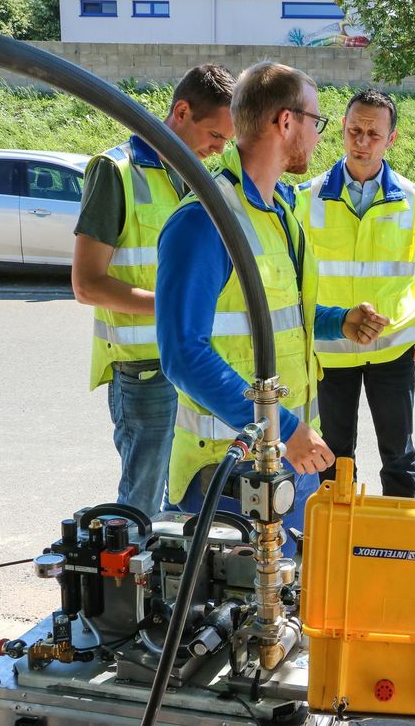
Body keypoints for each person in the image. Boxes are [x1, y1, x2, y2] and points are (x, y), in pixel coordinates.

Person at [155, 62, 387, 554]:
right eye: (316, 122)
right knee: (231, 622)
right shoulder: (204, 221)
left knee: (285, 613)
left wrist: (336, 319)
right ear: (286, 122)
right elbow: (183, 355)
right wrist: (282, 427)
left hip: (285, 456)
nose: (321, 137)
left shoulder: (281, 212)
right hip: (226, 472)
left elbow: (275, 315)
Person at [72, 64, 236, 517]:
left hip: (193, 360)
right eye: (215, 136)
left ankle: (172, 586)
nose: (219, 149)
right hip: (144, 369)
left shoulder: (200, 179)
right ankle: (131, 586)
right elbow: (87, 284)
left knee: (183, 495)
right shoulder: (116, 171)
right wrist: (175, 309)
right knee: (142, 502)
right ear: (181, 111)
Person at [295, 88, 415, 499]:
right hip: (330, 347)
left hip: (392, 349)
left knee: (398, 454)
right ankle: (339, 545)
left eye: (373, 135)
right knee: (335, 456)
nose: (362, 142)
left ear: (391, 139)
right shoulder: (306, 198)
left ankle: (396, 546)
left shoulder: (412, 200)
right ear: (341, 129)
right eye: (354, 130)